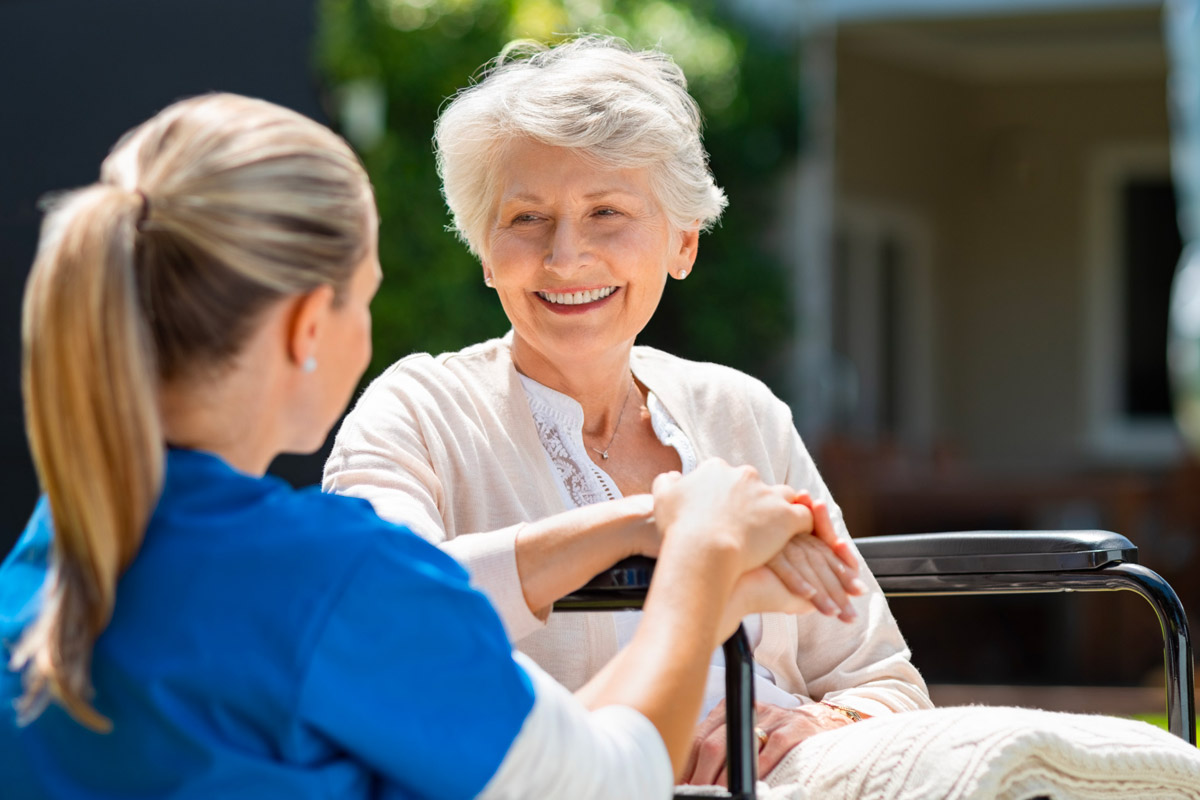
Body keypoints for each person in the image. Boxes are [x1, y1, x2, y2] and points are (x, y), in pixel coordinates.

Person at [0, 92, 823, 799]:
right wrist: (702, 558)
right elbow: (604, 784)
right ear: (305, 328)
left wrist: (637, 524)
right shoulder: (333, 582)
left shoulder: (44, 565)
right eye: (366, 299)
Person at [322, 35, 932, 786]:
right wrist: (655, 524)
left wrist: (813, 723)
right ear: (485, 252)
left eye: (606, 212)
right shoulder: (416, 410)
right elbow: (382, 614)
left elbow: (884, 682)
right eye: (526, 219)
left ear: (683, 242)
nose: (565, 257)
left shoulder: (742, 413)